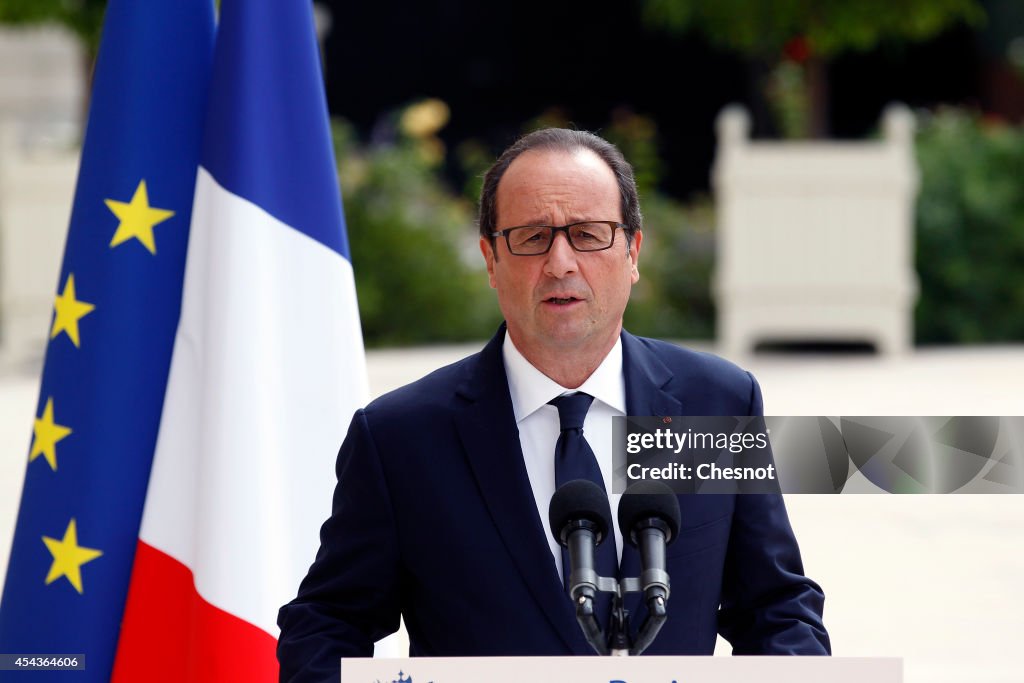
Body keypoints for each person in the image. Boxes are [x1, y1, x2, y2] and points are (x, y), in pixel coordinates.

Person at [277, 128, 830, 680]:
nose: (561, 262)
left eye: (588, 235)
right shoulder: (402, 437)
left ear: (632, 253)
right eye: (532, 237)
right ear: (491, 259)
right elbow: (327, 622)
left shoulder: (714, 403)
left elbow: (776, 607)